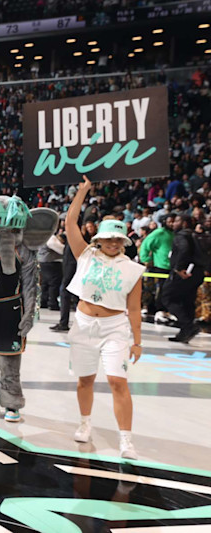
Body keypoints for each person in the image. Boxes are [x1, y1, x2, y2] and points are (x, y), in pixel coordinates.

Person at [65, 176, 145, 460]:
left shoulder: (133, 269)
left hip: (115, 328)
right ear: (99, 238)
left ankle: (126, 440)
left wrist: (137, 341)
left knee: (117, 381)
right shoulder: (86, 255)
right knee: (84, 381)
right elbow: (69, 224)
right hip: (84, 325)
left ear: (124, 241)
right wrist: (83, 191)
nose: (113, 242)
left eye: (118, 238)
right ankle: (85, 423)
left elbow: (133, 309)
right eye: (108, 237)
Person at [161, 214, 210, 342]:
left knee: (167, 297)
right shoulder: (196, 236)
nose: (173, 223)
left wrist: (179, 268)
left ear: (184, 223)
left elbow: (184, 249)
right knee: (187, 300)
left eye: (176, 221)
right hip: (197, 271)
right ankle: (185, 333)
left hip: (184, 271)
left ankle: (188, 325)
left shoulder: (182, 235)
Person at [138, 213, 175, 320]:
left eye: (173, 221)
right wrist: (146, 259)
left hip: (172, 266)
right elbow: (145, 245)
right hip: (161, 266)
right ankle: (159, 310)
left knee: (169, 290)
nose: (172, 223)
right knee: (160, 289)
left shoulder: (174, 233)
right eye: (170, 221)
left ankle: (166, 310)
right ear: (164, 222)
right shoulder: (159, 233)